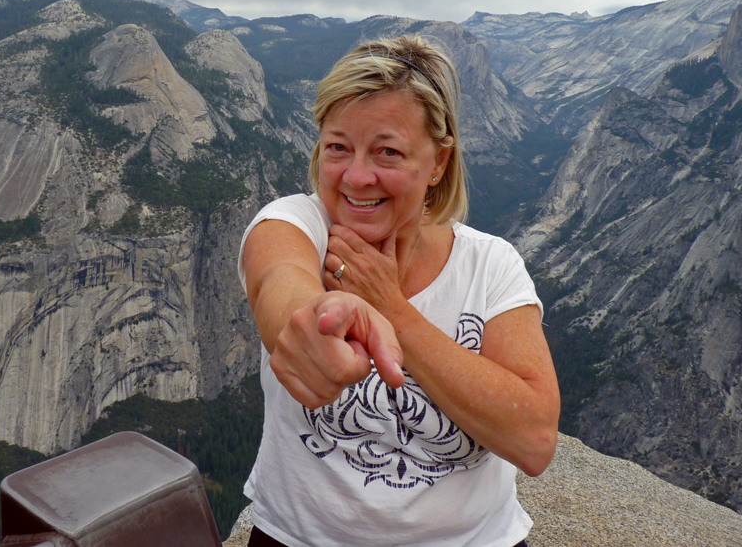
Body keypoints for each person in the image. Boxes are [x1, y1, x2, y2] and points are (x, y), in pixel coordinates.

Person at [237, 35, 560, 547]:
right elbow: (279, 280)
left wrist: (392, 311)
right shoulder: (295, 224)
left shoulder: (488, 264)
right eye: (338, 147)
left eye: (387, 151)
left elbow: (536, 439)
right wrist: (310, 324)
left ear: (438, 164)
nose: (357, 176)